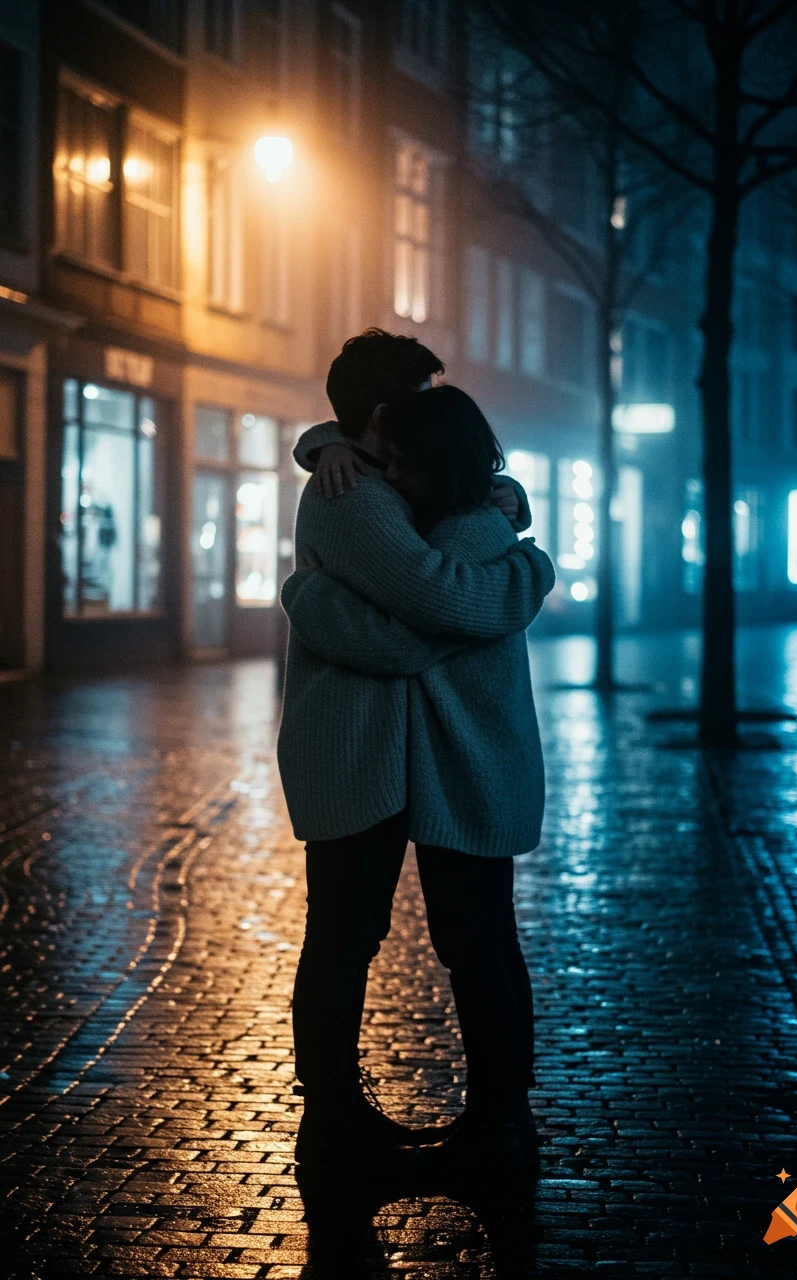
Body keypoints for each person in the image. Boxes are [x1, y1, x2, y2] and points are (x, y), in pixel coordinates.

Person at [277, 332, 554, 1174]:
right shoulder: (350, 497)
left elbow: (432, 598)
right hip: (358, 756)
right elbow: (437, 600)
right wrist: (522, 578)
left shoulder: (447, 503)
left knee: (467, 937)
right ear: (386, 414)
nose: (442, 400)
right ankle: (332, 1119)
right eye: (427, 391)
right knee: (350, 935)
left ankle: (498, 1117)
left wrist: (521, 553)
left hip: (443, 756)